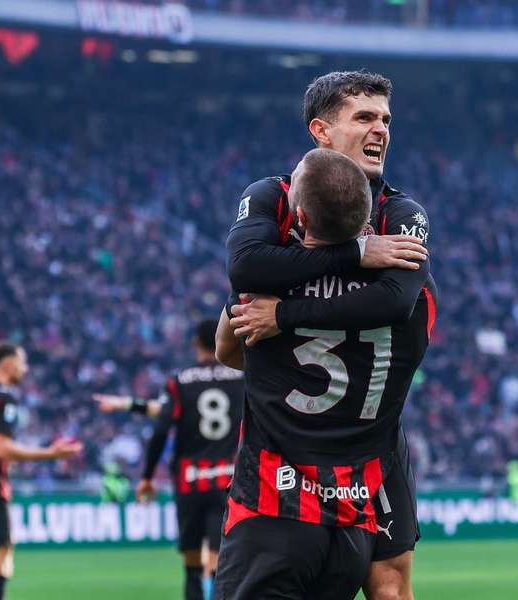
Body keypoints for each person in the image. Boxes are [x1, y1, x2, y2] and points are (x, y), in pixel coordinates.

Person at [216, 71, 438, 600]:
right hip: (322, 448)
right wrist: (358, 254)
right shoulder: (274, 194)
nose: (380, 128)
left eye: (385, 118)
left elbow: (395, 299)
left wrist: (285, 313)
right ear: (321, 130)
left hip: (372, 444)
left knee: (390, 586)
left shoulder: (402, 212)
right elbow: (245, 268)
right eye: (364, 117)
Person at [99, 320, 244, 600]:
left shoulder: (180, 381)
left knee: (191, 561)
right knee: (218, 558)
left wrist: (147, 477)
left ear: (194, 343)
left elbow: (162, 428)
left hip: (190, 482)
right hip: (227, 480)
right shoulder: (240, 378)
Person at [0, 341, 83, 600]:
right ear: (8, 364)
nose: (25, 370)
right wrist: (50, 453)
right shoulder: (2, 397)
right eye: (22, 363)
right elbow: (2, 450)